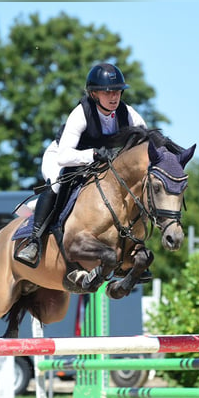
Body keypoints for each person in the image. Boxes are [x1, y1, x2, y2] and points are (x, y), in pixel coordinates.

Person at [15, 62, 147, 267]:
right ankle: (33, 240)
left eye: (117, 92)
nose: (114, 97)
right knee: (56, 185)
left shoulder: (127, 113)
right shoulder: (81, 113)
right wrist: (93, 154)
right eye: (108, 92)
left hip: (98, 165)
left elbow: (146, 142)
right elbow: (64, 156)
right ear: (94, 94)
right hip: (63, 156)